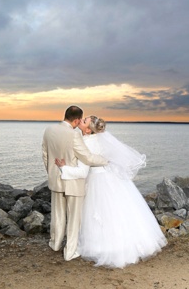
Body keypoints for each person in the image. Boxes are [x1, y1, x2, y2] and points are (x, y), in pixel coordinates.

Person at [55, 115, 167, 268]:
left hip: (96, 181)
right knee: (117, 211)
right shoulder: (99, 140)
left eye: (84, 120)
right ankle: (130, 244)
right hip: (111, 178)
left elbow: (82, 171)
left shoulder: (86, 143)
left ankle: (102, 247)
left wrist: (63, 168)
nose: (81, 120)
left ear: (88, 129)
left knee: (99, 213)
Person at [42, 106, 108, 261]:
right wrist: (106, 160)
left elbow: (45, 154)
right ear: (77, 120)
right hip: (74, 183)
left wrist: (53, 173)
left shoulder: (48, 130)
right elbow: (88, 158)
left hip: (56, 180)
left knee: (57, 215)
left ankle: (55, 243)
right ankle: (70, 252)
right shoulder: (74, 136)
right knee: (73, 219)